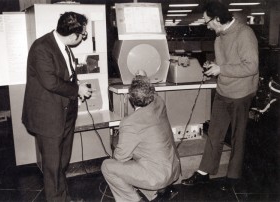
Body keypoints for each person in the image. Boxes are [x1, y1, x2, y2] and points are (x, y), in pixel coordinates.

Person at [181, 1, 259, 191]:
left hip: (241, 93)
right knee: (214, 133)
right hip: (223, 91)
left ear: (217, 18)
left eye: (208, 21)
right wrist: (213, 65)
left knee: (237, 137)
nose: (207, 26)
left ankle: (233, 179)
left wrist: (221, 69)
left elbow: (251, 66)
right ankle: (204, 172)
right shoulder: (219, 38)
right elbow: (228, 60)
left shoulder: (244, 34)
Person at [22, 12, 92, 202]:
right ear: (73, 35)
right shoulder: (42, 48)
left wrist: (76, 88)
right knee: (52, 168)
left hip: (65, 113)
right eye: (83, 34)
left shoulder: (63, 46)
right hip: (48, 117)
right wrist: (77, 89)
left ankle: (63, 197)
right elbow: (51, 82)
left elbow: (65, 75)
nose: (83, 37)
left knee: (62, 162)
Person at [101, 73, 180, 202]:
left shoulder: (130, 123)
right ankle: (157, 194)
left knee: (107, 166)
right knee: (141, 153)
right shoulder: (159, 103)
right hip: (173, 169)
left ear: (129, 98)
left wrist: (118, 144)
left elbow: (121, 157)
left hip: (158, 176)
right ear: (150, 92)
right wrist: (142, 78)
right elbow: (154, 94)